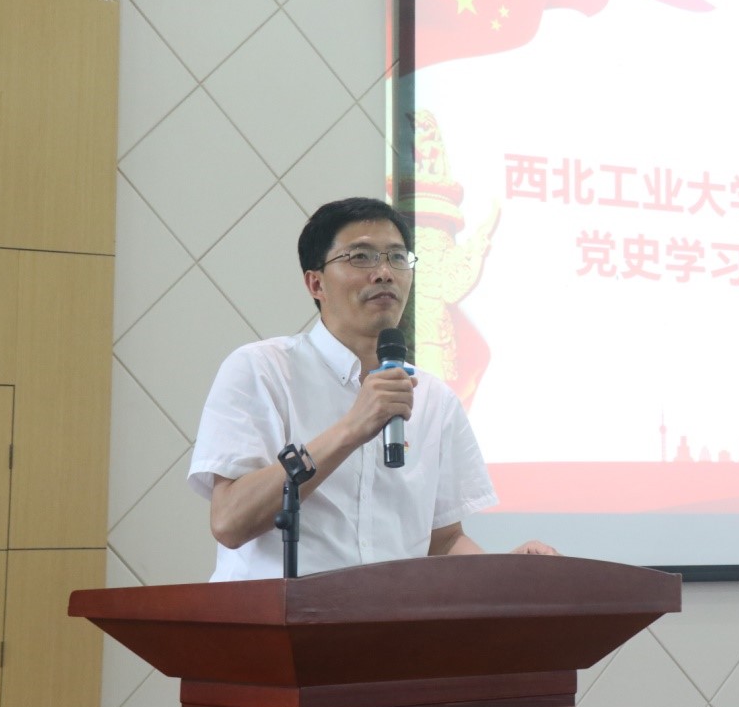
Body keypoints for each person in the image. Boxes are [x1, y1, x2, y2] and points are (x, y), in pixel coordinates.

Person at [188, 197, 555, 581]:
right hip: (279, 616)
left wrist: (508, 573)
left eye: (397, 258)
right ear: (316, 283)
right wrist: (353, 427)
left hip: (390, 618)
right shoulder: (263, 370)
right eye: (361, 257)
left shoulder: (434, 399)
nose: (384, 273)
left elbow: (443, 541)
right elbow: (229, 522)